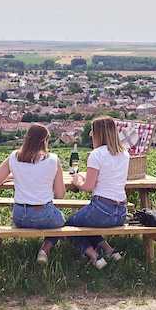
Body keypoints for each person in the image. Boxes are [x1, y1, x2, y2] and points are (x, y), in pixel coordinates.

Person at [45, 116, 129, 270]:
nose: (90, 134)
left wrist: (77, 181)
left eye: (92, 131)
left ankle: (93, 255)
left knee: (70, 224)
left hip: (102, 211)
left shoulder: (97, 154)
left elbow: (88, 186)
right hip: (121, 212)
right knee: (85, 223)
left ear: (99, 133)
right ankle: (110, 251)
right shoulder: (124, 154)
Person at [0, 124, 65, 264]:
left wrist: (12, 176)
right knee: (61, 221)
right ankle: (45, 249)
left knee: (56, 219)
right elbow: (60, 194)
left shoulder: (14, 156)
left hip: (19, 216)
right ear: (45, 140)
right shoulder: (53, 160)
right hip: (44, 215)